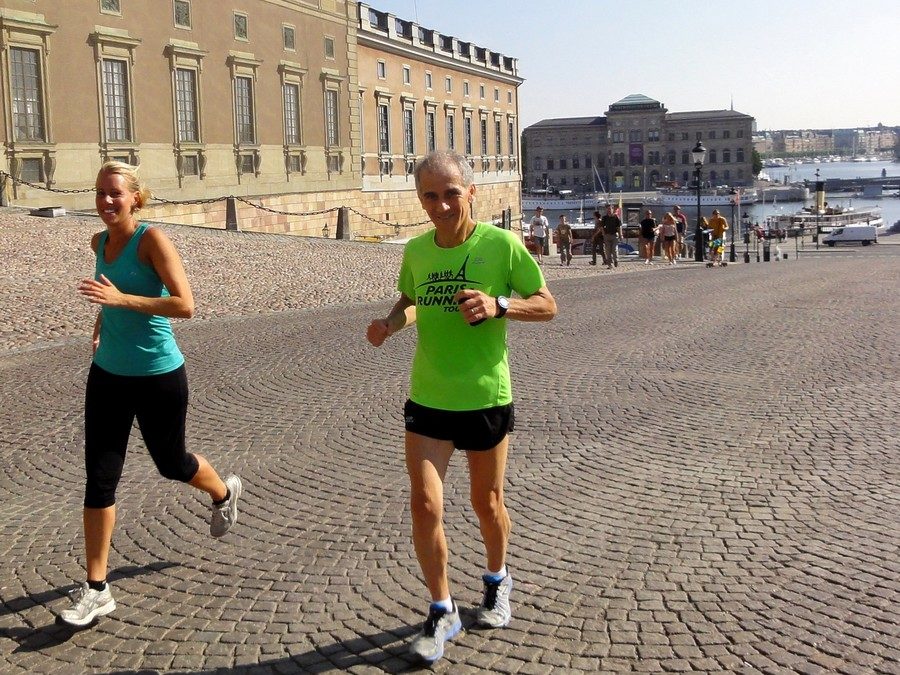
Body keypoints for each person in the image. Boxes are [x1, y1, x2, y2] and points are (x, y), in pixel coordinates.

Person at [366, 150, 557, 664]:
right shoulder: (417, 251)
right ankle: (442, 608)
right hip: (428, 395)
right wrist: (389, 325)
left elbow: (546, 303)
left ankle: (497, 580)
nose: (441, 205)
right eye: (430, 195)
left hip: (484, 396)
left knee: (486, 502)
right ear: (419, 198)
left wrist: (500, 305)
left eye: (451, 193)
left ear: (471, 192)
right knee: (425, 504)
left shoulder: (502, 245)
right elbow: (409, 301)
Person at [61, 161, 243, 627]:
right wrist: (103, 320)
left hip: (159, 374)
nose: (105, 201)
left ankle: (223, 491)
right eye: (100, 192)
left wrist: (121, 301)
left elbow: (184, 304)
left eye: (115, 194)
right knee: (100, 477)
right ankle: (97, 588)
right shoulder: (98, 241)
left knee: (171, 462)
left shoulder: (153, 240)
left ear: (135, 198)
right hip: (107, 376)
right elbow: (110, 291)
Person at [599, 204, 623, 269]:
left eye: (610, 209)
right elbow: (602, 227)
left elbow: (619, 227)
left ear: (612, 209)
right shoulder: (604, 218)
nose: (609, 210)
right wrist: (603, 234)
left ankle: (616, 260)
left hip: (614, 235)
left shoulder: (616, 217)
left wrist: (621, 235)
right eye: (608, 209)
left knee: (614, 250)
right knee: (608, 251)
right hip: (607, 236)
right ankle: (609, 264)